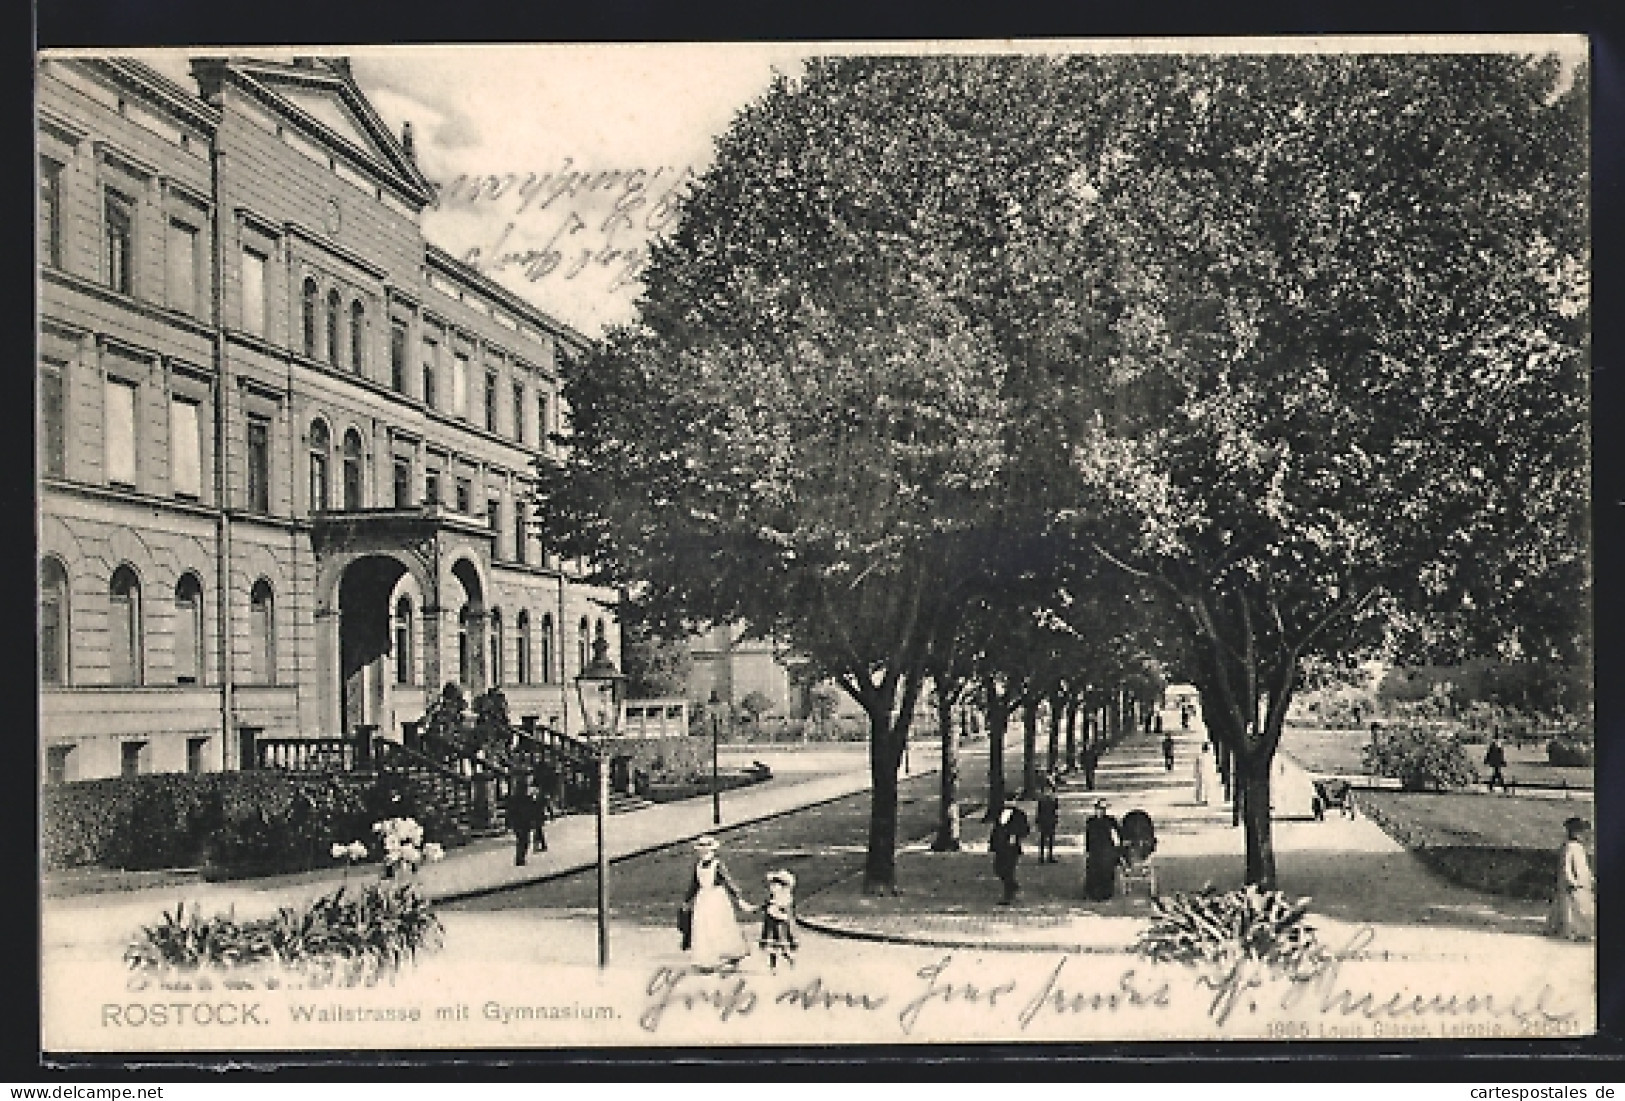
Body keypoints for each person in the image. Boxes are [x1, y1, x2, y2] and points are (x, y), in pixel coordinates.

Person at [683, 835, 753, 968]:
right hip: (703, 898)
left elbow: (728, 881)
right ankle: (706, 959)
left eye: (706, 849)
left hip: (716, 898)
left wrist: (738, 897)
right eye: (701, 849)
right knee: (703, 927)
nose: (703, 852)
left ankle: (730, 954)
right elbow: (694, 884)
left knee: (718, 925)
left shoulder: (717, 865)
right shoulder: (698, 865)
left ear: (712, 850)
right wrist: (687, 900)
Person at [1548, 817, 1594, 941]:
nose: (1584, 836)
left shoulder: (1579, 848)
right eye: (1581, 832)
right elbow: (1566, 865)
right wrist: (1570, 880)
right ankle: (1570, 931)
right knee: (1570, 909)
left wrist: (1589, 878)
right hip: (1573, 884)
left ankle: (1583, 932)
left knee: (1583, 908)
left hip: (1582, 883)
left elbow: (1582, 866)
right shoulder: (1570, 847)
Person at [757, 869, 799, 972]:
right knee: (774, 944)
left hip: (778, 919)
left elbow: (783, 907)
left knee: (778, 944)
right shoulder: (781, 894)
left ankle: (789, 963)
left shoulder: (784, 895)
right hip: (773, 918)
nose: (774, 884)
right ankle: (774, 967)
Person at [989, 803, 1031, 905]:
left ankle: (1008, 896)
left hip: (1012, 848)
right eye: (1007, 799)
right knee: (998, 869)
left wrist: (1016, 835)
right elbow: (996, 829)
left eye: (1011, 799)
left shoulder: (1019, 815)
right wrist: (992, 843)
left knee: (1008, 869)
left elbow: (1025, 830)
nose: (1009, 802)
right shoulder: (999, 812)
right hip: (1000, 847)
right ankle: (1013, 886)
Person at [1083, 799, 1122, 901]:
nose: (1101, 811)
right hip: (1095, 849)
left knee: (1107, 871)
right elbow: (1088, 836)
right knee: (1093, 871)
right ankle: (1092, 893)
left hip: (1106, 848)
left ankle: (1106, 892)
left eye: (1103, 809)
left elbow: (1119, 832)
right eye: (1099, 809)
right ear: (1096, 809)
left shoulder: (1110, 820)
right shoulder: (1091, 821)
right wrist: (1087, 850)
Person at [505, 777, 536, 866]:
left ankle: (520, 857)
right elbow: (532, 810)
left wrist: (509, 823)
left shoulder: (513, 798)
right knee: (524, 840)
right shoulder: (527, 798)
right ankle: (520, 858)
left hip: (517, 822)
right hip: (524, 822)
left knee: (521, 840)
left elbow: (509, 811)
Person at [1035, 780, 1060, 863]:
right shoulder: (1042, 800)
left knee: (1050, 838)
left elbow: (1055, 810)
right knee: (1043, 838)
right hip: (1044, 820)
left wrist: (1056, 819)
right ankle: (1042, 856)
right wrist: (1038, 820)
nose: (1048, 792)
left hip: (1050, 820)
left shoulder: (1052, 800)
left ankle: (1049, 855)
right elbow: (1039, 811)